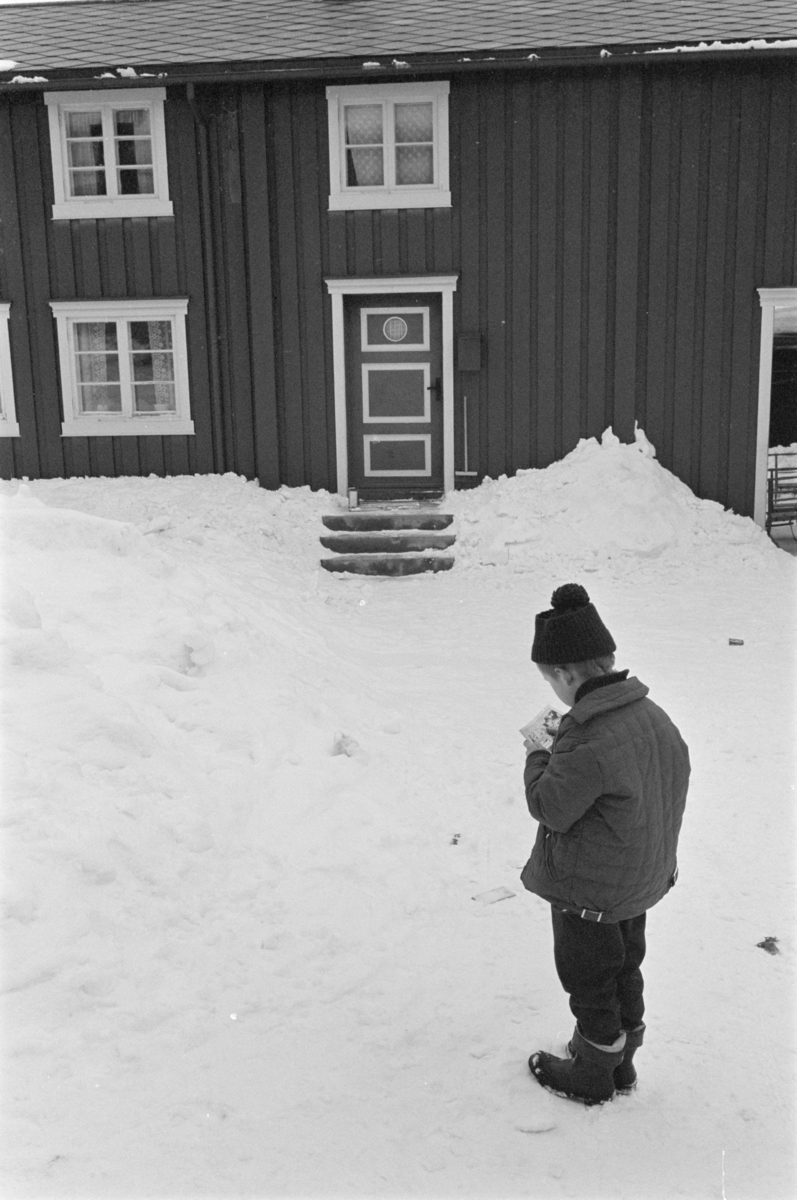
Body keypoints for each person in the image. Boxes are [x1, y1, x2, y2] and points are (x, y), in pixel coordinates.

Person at [521, 583, 690, 1105]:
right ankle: (621, 1064)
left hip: (589, 893)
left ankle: (592, 1074)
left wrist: (538, 751)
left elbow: (550, 806)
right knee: (625, 968)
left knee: (589, 979)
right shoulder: (652, 715)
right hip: (636, 882)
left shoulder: (590, 735)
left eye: (551, 679)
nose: (554, 689)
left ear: (568, 674)